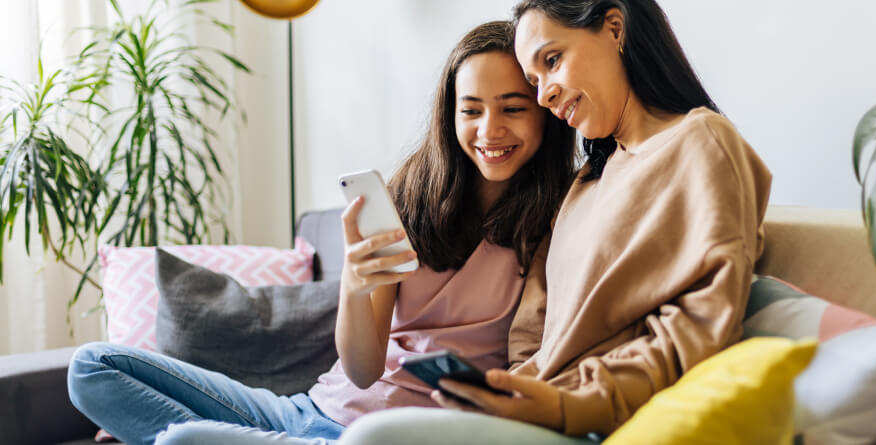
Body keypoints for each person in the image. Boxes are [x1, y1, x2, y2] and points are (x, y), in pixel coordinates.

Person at [66, 20, 576, 445]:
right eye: (471, 110)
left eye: (513, 108)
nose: (489, 130)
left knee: (179, 440)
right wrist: (355, 284)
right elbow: (360, 370)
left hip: (388, 434)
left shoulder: (558, 221)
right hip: (305, 410)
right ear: (450, 115)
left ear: (546, 115)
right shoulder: (406, 197)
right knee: (91, 366)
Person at [337, 0, 772, 444]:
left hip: (578, 418)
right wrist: (512, 392)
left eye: (552, 61)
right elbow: (532, 332)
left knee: (371, 437)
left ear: (614, 29)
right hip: (522, 411)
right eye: (534, 80)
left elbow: (697, 333)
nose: (544, 94)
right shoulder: (587, 182)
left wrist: (562, 406)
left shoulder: (701, 142)